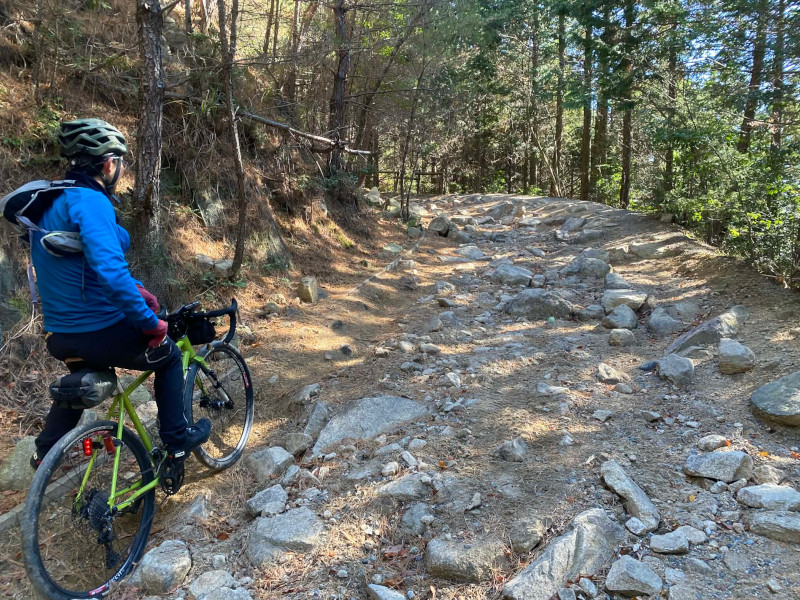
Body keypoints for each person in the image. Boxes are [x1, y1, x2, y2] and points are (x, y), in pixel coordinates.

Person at [29, 118, 210, 468]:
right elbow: (111, 275)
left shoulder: (52, 204)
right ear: (109, 164)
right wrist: (151, 325)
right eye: (120, 163)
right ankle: (177, 442)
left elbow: (82, 266)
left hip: (60, 334)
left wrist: (136, 288)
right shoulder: (91, 202)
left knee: (79, 380)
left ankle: (44, 456)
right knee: (169, 357)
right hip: (98, 329)